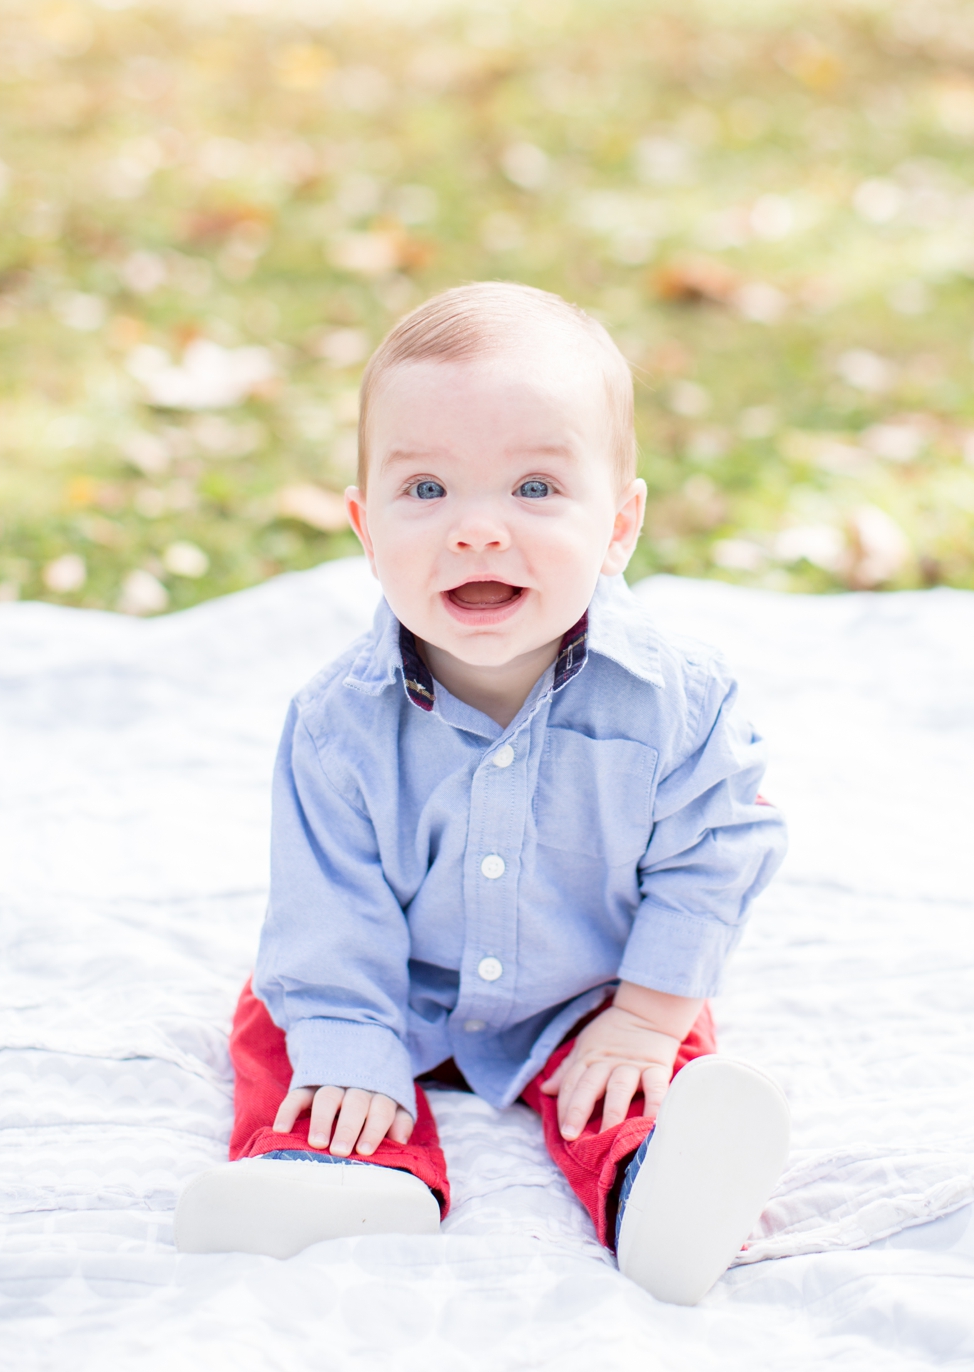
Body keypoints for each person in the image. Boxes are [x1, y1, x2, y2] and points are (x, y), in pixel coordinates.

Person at [173, 282, 792, 1307]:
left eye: (536, 489)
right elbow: (328, 911)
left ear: (619, 524)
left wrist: (643, 1015)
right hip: (396, 989)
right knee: (279, 1024)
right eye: (426, 492)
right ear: (366, 528)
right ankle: (341, 1174)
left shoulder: (679, 702)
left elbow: (715, 856)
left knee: (657, 1066)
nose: (476, 531)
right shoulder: (337, 723)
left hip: (590, 992)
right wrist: (353, 1050)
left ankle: (657, 1191)